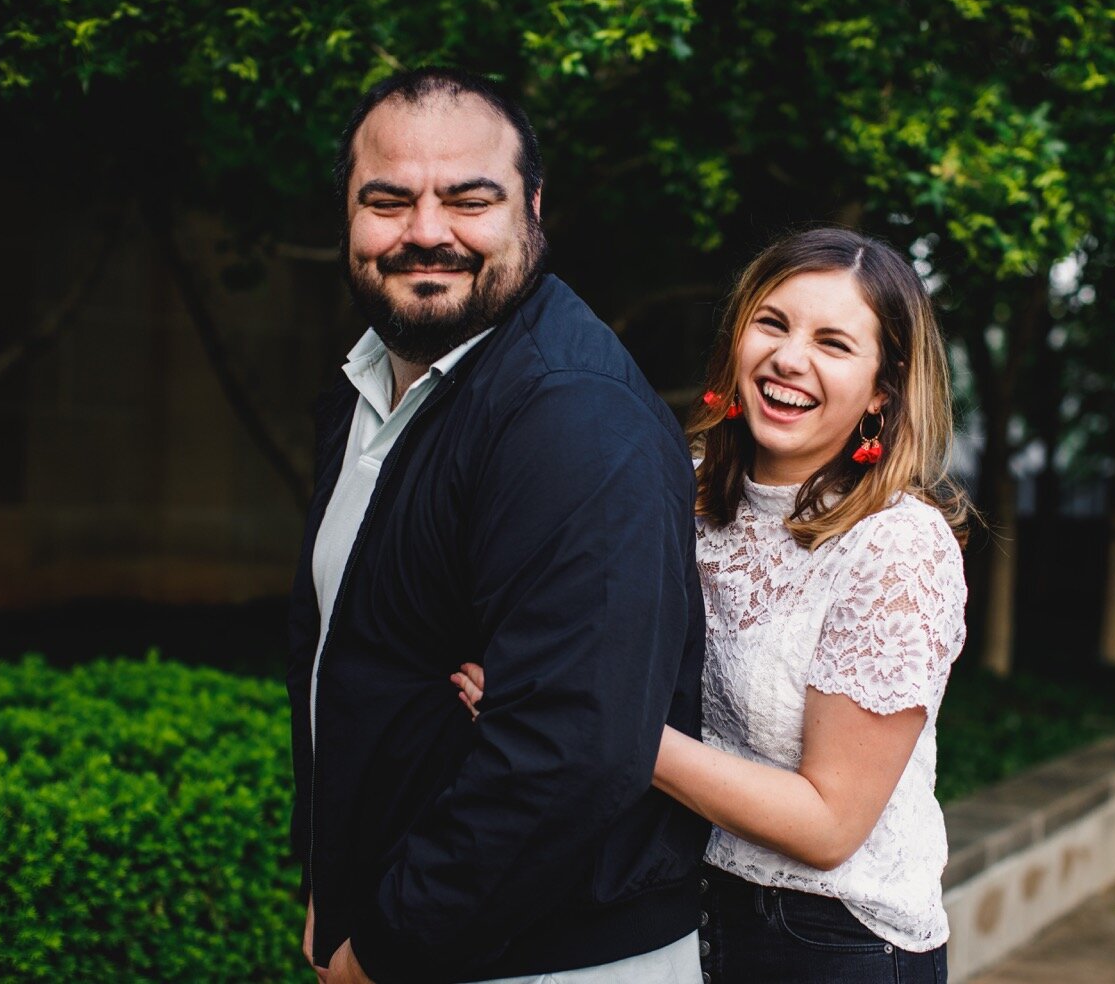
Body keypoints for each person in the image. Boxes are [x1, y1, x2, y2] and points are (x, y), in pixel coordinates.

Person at [456, 227, 968, 983]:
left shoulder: (895, 547)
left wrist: (583, 723)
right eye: (772, 322)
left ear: (882, 390)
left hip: (833, 943)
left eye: (833, 342)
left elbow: (829, 825)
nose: (790, 358)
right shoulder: (675, 489)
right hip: (679, 913)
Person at [287, 67, 709, 984]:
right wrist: (331, 882)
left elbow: (571, 755)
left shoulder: (573, 416)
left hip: (548, 962)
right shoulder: (371, 382)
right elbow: (351, 662)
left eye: (469, 199)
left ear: (533, 208)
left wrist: (382, 950)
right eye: (388, 201)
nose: (426, 231)